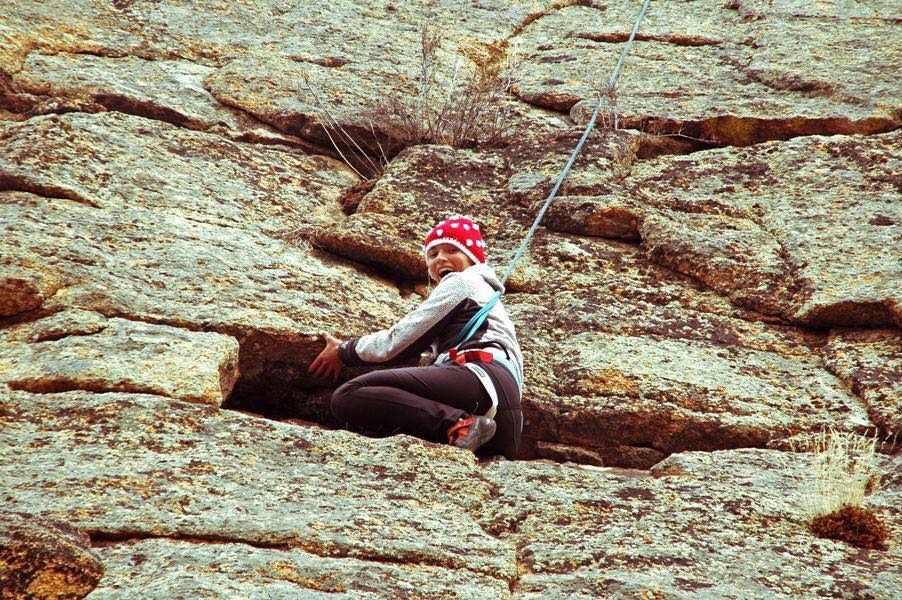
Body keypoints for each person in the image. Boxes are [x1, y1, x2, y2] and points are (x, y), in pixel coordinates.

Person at [308, 215, 524, 459]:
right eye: (433, 255)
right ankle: (463, 428)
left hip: (479, 377)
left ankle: (458, 423)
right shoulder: (493, 306)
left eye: (452, 249)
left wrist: (344, 350)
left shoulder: (462, 282)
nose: (441, 258)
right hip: (507, 414)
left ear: (472, 258)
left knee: (349, 395)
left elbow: (398, 342)